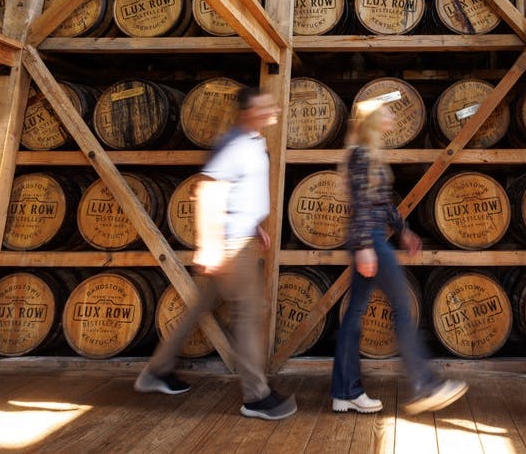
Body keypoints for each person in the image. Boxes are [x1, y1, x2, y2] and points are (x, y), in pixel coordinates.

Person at [135, 87, 297, 421]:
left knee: (199, 308)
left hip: (240, 237)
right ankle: (256, 396)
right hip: (229, 245)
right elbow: (208, 190)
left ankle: (157, 370)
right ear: (247, 113)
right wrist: (210, 245)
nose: (272, 110)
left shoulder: (255, 141)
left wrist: (255, 225)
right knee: (249, 314)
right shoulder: (236, 145)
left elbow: (242, 189)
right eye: (264, 106)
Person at [331, 98, 468, 415]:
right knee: (402, 310)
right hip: (371, 241)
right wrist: (366, 246)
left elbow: (382, 203)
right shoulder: (361, 156)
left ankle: (344, 392)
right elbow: (361, 205)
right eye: (387, 112)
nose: (393, 116)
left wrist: (403, 230)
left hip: (373, 239)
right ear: (373, 121)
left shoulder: (368, 154)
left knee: (353, 318)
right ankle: (424, 384)